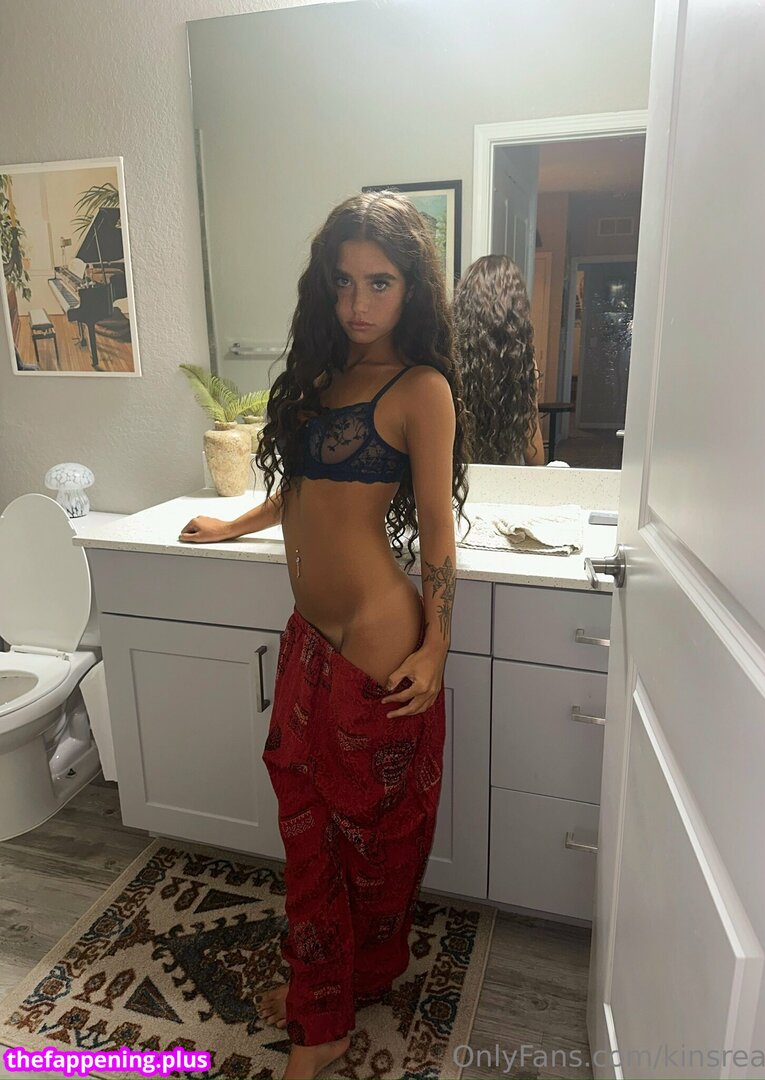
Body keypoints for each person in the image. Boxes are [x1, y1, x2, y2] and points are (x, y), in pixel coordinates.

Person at [178, 190, 470, 1080]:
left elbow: (437, 528)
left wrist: (436, 647)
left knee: (368, 844)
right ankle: (325, 994)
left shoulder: (419, 388)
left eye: (379, 283)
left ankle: (330, 1011)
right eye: (343, 282)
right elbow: (299, 490)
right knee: (309, 832)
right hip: (311, 632)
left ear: (411, 289)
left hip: (379, 636)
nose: (358, 303)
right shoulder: (319, 376)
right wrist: (233, 524)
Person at [453, 253, 546, 466]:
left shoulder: (448, 357)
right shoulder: (522, 364)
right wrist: (540, 474)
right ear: (516, 309)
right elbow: (531, 436)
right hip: (504, 476)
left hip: (454, 473)